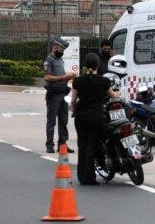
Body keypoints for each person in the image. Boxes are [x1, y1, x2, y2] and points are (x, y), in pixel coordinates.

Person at [70, 53, 120, 185]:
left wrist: (74, 111)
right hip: (96, 116)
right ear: (98, 65)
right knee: (92, 145)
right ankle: (90, 177)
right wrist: (119, 93)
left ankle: (82, 177)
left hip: (81, 116)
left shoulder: (77, 81)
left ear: (85, 65)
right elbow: (113, 95)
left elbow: (73, 100)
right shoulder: (104, 81)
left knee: (82, 145)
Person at [43, 37, 78, 154]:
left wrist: (70, 76)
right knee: (51, 120)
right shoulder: (49, 60)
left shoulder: (60, 60)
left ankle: (62, 145)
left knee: (63, 120)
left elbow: (61, 75)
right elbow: (47, 77)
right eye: (61, 49)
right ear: (55, 47)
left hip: (63, 93)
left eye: (64, 50)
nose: (62, 51)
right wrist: (64, 77)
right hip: (53, 94)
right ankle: (49, 145)